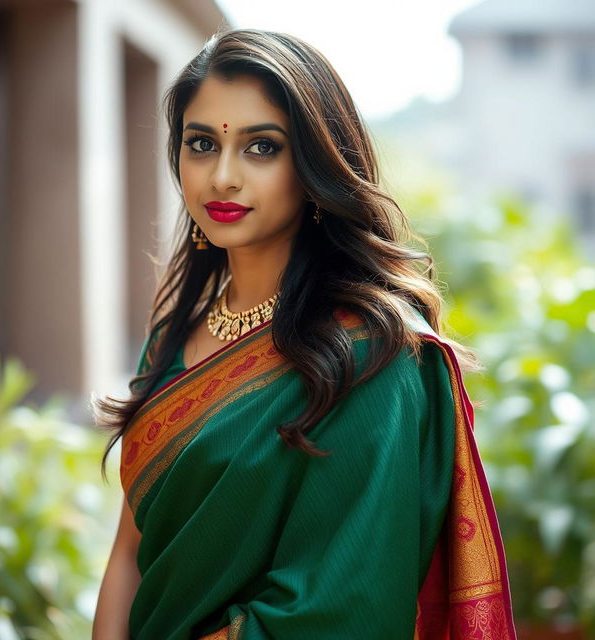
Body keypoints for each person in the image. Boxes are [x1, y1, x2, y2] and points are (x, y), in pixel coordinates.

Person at [92, 28, 516, 640]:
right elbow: (130, 553)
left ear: (315, 164)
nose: (224, 177)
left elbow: (342, 606)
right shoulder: (171, 340)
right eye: (202, 144)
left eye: (262, 147)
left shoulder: (374, 357)